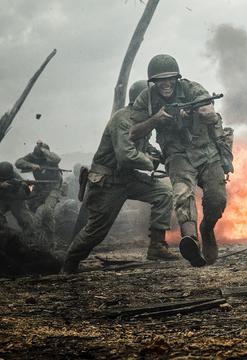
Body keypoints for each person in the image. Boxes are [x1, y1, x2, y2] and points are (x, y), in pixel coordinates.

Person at [60, 80, 175, 274]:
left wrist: (163, 157)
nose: (158, 102)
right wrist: (149, 162)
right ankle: (69, 263)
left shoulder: (143, 119)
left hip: (128, 178)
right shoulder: (122, 119)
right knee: (96, 231)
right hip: (109, 181)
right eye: (154, 98)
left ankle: (157, 247)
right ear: (143, 100)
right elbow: (126, 155)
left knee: (163, 191)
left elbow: (142, 146)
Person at [130, 55, 230, 267]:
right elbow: (132, 131)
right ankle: (190, 239)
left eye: (170, 79)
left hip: (207, 152)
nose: (166, 84)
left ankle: (207, 229)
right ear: (153, 82)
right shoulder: (145, 100)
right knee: (183, 194)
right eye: (160, 80)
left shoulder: (192, 89)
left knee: (217, 199)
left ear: (177, 78)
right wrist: (155, 119)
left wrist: (202, 112)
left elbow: (211, 114)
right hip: (177, 155)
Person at [15, 141, 66, 244]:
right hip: (40, 186)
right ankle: (34, 236)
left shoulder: (51, 159)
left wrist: (44, 149)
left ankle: (51, 240)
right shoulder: (33, 157)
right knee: (30, 205)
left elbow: (57, 159)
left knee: (47, 210)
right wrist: (31, 164)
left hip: (54, 187)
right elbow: (18, 162)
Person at [0, 161, 36, 236]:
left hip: (14, 199)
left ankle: (28, 237)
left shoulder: (16, 177)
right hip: (1, 199)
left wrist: (29, 187)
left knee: (24, 219)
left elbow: (27, 194)